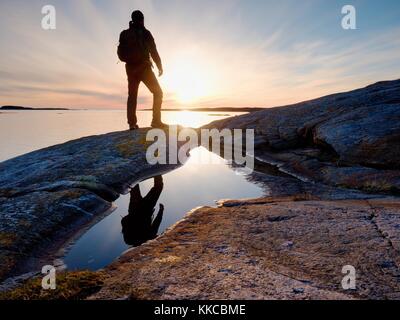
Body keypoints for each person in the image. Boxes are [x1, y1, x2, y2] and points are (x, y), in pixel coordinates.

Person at [118, 10, 167, 129]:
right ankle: (156, 121)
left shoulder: (124, 34)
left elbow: (121, 52)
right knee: (158, 92)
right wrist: (159, 66)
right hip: (144, 68)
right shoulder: (146, 33)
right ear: (142, 19)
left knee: (132, 96)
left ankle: (132, 124)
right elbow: (153, 51)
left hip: (130, 69)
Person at [121, 175, 164, 246]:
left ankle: (156, 171)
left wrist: (161, 211)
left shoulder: (148, 236)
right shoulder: (129, 240)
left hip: (143, 209)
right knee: (135, 187)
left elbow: (156, 223)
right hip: (137, 209)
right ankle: (154, 171)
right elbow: (124, 222)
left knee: (158, 187)